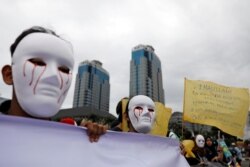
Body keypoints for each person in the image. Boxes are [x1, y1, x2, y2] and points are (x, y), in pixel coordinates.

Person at [0, 26, 106, 142]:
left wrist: (85, 140)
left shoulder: (70, 140)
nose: (54, 76)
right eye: (38, 63)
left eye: (64, 70)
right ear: (9, 75)